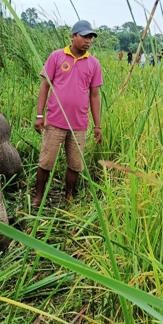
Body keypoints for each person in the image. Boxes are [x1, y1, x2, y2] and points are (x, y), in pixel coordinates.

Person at [33, 19, 103, 208]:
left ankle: (68, 197)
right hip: (55, 121)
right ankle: (38, 196)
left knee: (75, 164)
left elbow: (94, 96)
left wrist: (97, 125)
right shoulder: (57, 57)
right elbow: (45, 85)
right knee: (46, 162)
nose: (88, 40)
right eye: (84, 36)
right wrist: (40, 115)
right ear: (73, 36)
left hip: (79, 124)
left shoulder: (93, 64)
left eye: (91, 37)